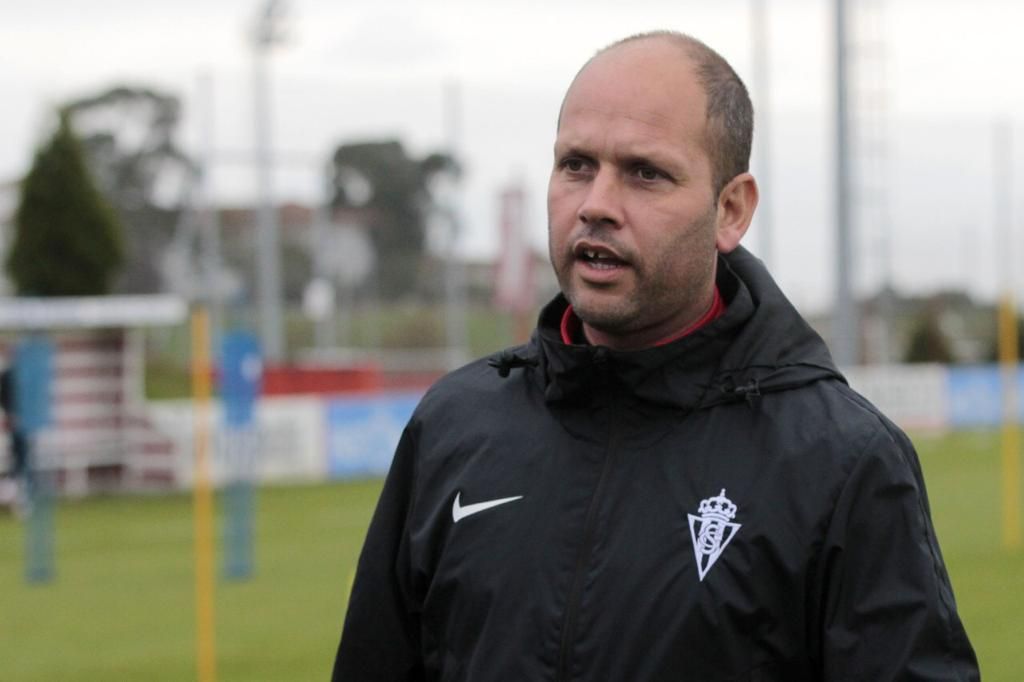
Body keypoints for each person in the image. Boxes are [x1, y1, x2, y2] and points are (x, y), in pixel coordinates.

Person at [332, 31, 979, 681]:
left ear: (731, 209)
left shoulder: (841, 462)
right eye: (576, 165)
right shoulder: (453, 426)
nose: (596, 205)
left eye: (645, 173)